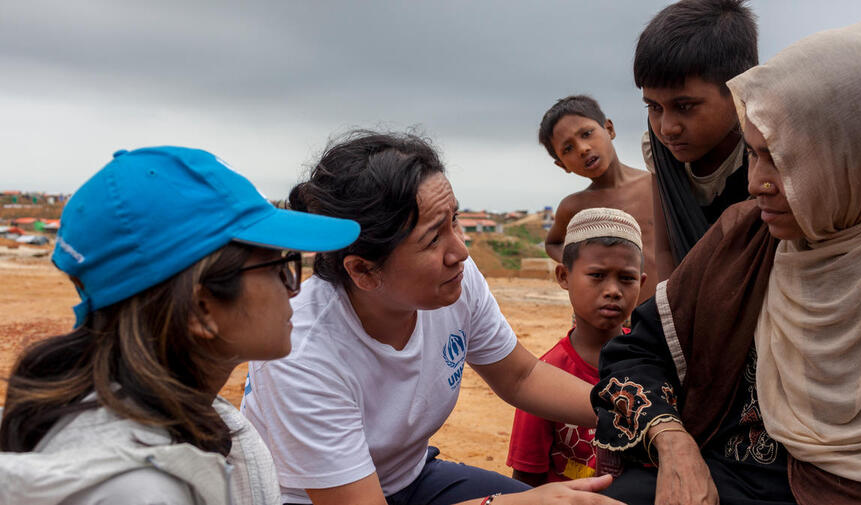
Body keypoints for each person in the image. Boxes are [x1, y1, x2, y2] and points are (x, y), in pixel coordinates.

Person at [591, 19, 861, 504]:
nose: (757, 182)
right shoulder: (746, 233)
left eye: (782, 158)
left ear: (860, 155)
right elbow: (635, 352)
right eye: (754, 156)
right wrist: (675, 445)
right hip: (723, 475)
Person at [241, 131, 625, 505]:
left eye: (454, 220)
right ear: (364, 270)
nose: (460, 249)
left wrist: (628, 413)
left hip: (409, 477)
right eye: (432, 239)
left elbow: (520, 376)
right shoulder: (302, 355)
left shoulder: (454, 278)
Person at [0, 146, 361, 504]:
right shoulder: (140, 492)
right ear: (200, 307)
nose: (292, 289)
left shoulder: (199, 421)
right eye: (278, 267)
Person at [507, 208, 646, 486]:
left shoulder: (651, 363)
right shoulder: (544, 378)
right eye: (597, 275)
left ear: (642, 283)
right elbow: (526, 479)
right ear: (563, 276)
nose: (613, 290)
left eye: (627, 279)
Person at [635, 0, 758, 279]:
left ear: (739, 88)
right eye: (654, 107)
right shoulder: (659, 152)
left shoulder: (767, 150)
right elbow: (666, 250)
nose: (667, 128)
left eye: (685, 106)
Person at [539, 95, 657, 302]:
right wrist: (580, 264)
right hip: (614, 318)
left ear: (609, 129)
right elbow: (553, 243)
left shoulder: (655, 184)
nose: (582, 149)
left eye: (586, 133)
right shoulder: (574, 206)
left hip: (670, 309)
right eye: (568, 149)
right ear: (562, 165)